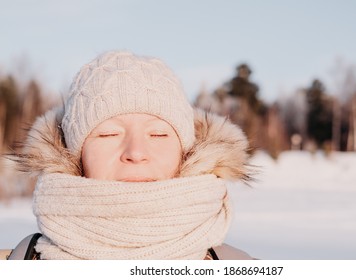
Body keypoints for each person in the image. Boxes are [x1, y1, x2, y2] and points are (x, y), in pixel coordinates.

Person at [5, 50, 253, 260]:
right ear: (74, 154)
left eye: (157, 134)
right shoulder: (25, 260)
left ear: (185, 152)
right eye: (108, 134)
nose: (136, 153)